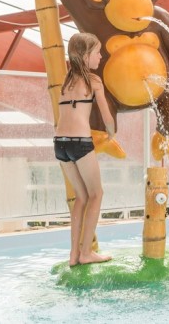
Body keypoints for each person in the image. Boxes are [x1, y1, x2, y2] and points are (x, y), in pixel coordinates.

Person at [54, 33, 115, 266]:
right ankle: (87, 253)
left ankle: (73, 255)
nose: (100, 56)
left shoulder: (66, 82)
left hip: (60, 145)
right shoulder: (94, 81)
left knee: (81, 196)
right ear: (86, 55)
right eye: (97, 52)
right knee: (96, 194)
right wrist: (111, 132)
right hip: (80, 143)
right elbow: (107, 116)